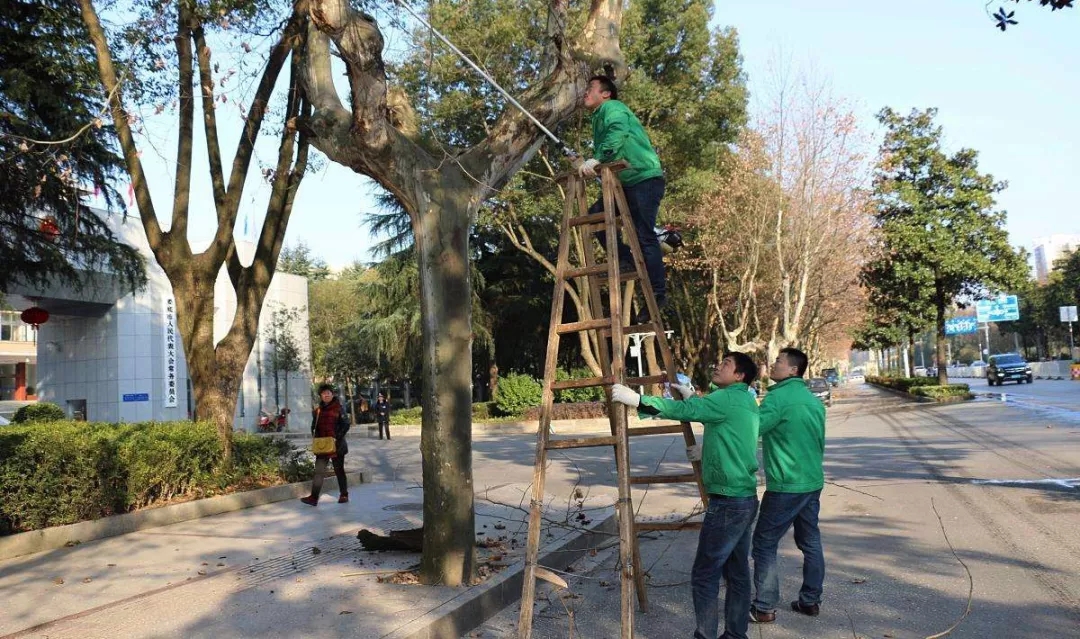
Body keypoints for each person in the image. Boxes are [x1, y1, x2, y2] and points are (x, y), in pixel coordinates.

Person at [610, 352, 761, 639]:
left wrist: (639, 400)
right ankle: (735, 634)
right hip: (744, 497)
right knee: (737, 572)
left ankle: (705, 635)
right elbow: (719, 422)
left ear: (740, 375)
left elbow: (684, 412)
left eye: (726, 364)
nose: (718, 365)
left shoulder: (727, 398)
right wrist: (693, 399)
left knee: (705, 573)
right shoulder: (745, 399)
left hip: (728, 501)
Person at [574, 75, 667, 318]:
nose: (586, 92)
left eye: (590, 88)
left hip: (644, 178)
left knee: (643, 234)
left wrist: (598, 158)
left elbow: (617, 132)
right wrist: (594, 160)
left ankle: (658, 293)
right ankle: (627, 260)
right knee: (596, 216)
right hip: (625, 183)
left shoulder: (612, 108)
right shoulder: (598, 117)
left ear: (606, 93)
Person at [748, 347, 827, 624]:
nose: (773, 364)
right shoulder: (813, 400)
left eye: (779, 361)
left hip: (786, 485)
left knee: (764, 543)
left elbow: (752, 428)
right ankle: (810, 601)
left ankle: (765, 606)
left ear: (793, 369)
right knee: (810, 542)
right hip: (812, 481)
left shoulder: (778, 398)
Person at [300, 384, 350, 506]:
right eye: (324, 393)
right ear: (321, 396)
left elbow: (346, 424)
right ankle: (314, 497)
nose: (326, 395)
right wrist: (316, 436)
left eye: (328, 393)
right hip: (322, 445)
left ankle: (344, 495)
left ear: (332, 394)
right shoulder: (317, 411)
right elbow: (314, 426)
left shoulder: (339, 408)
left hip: (336, 445)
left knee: (339, 470)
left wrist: (336, 437)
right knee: (319, 471)